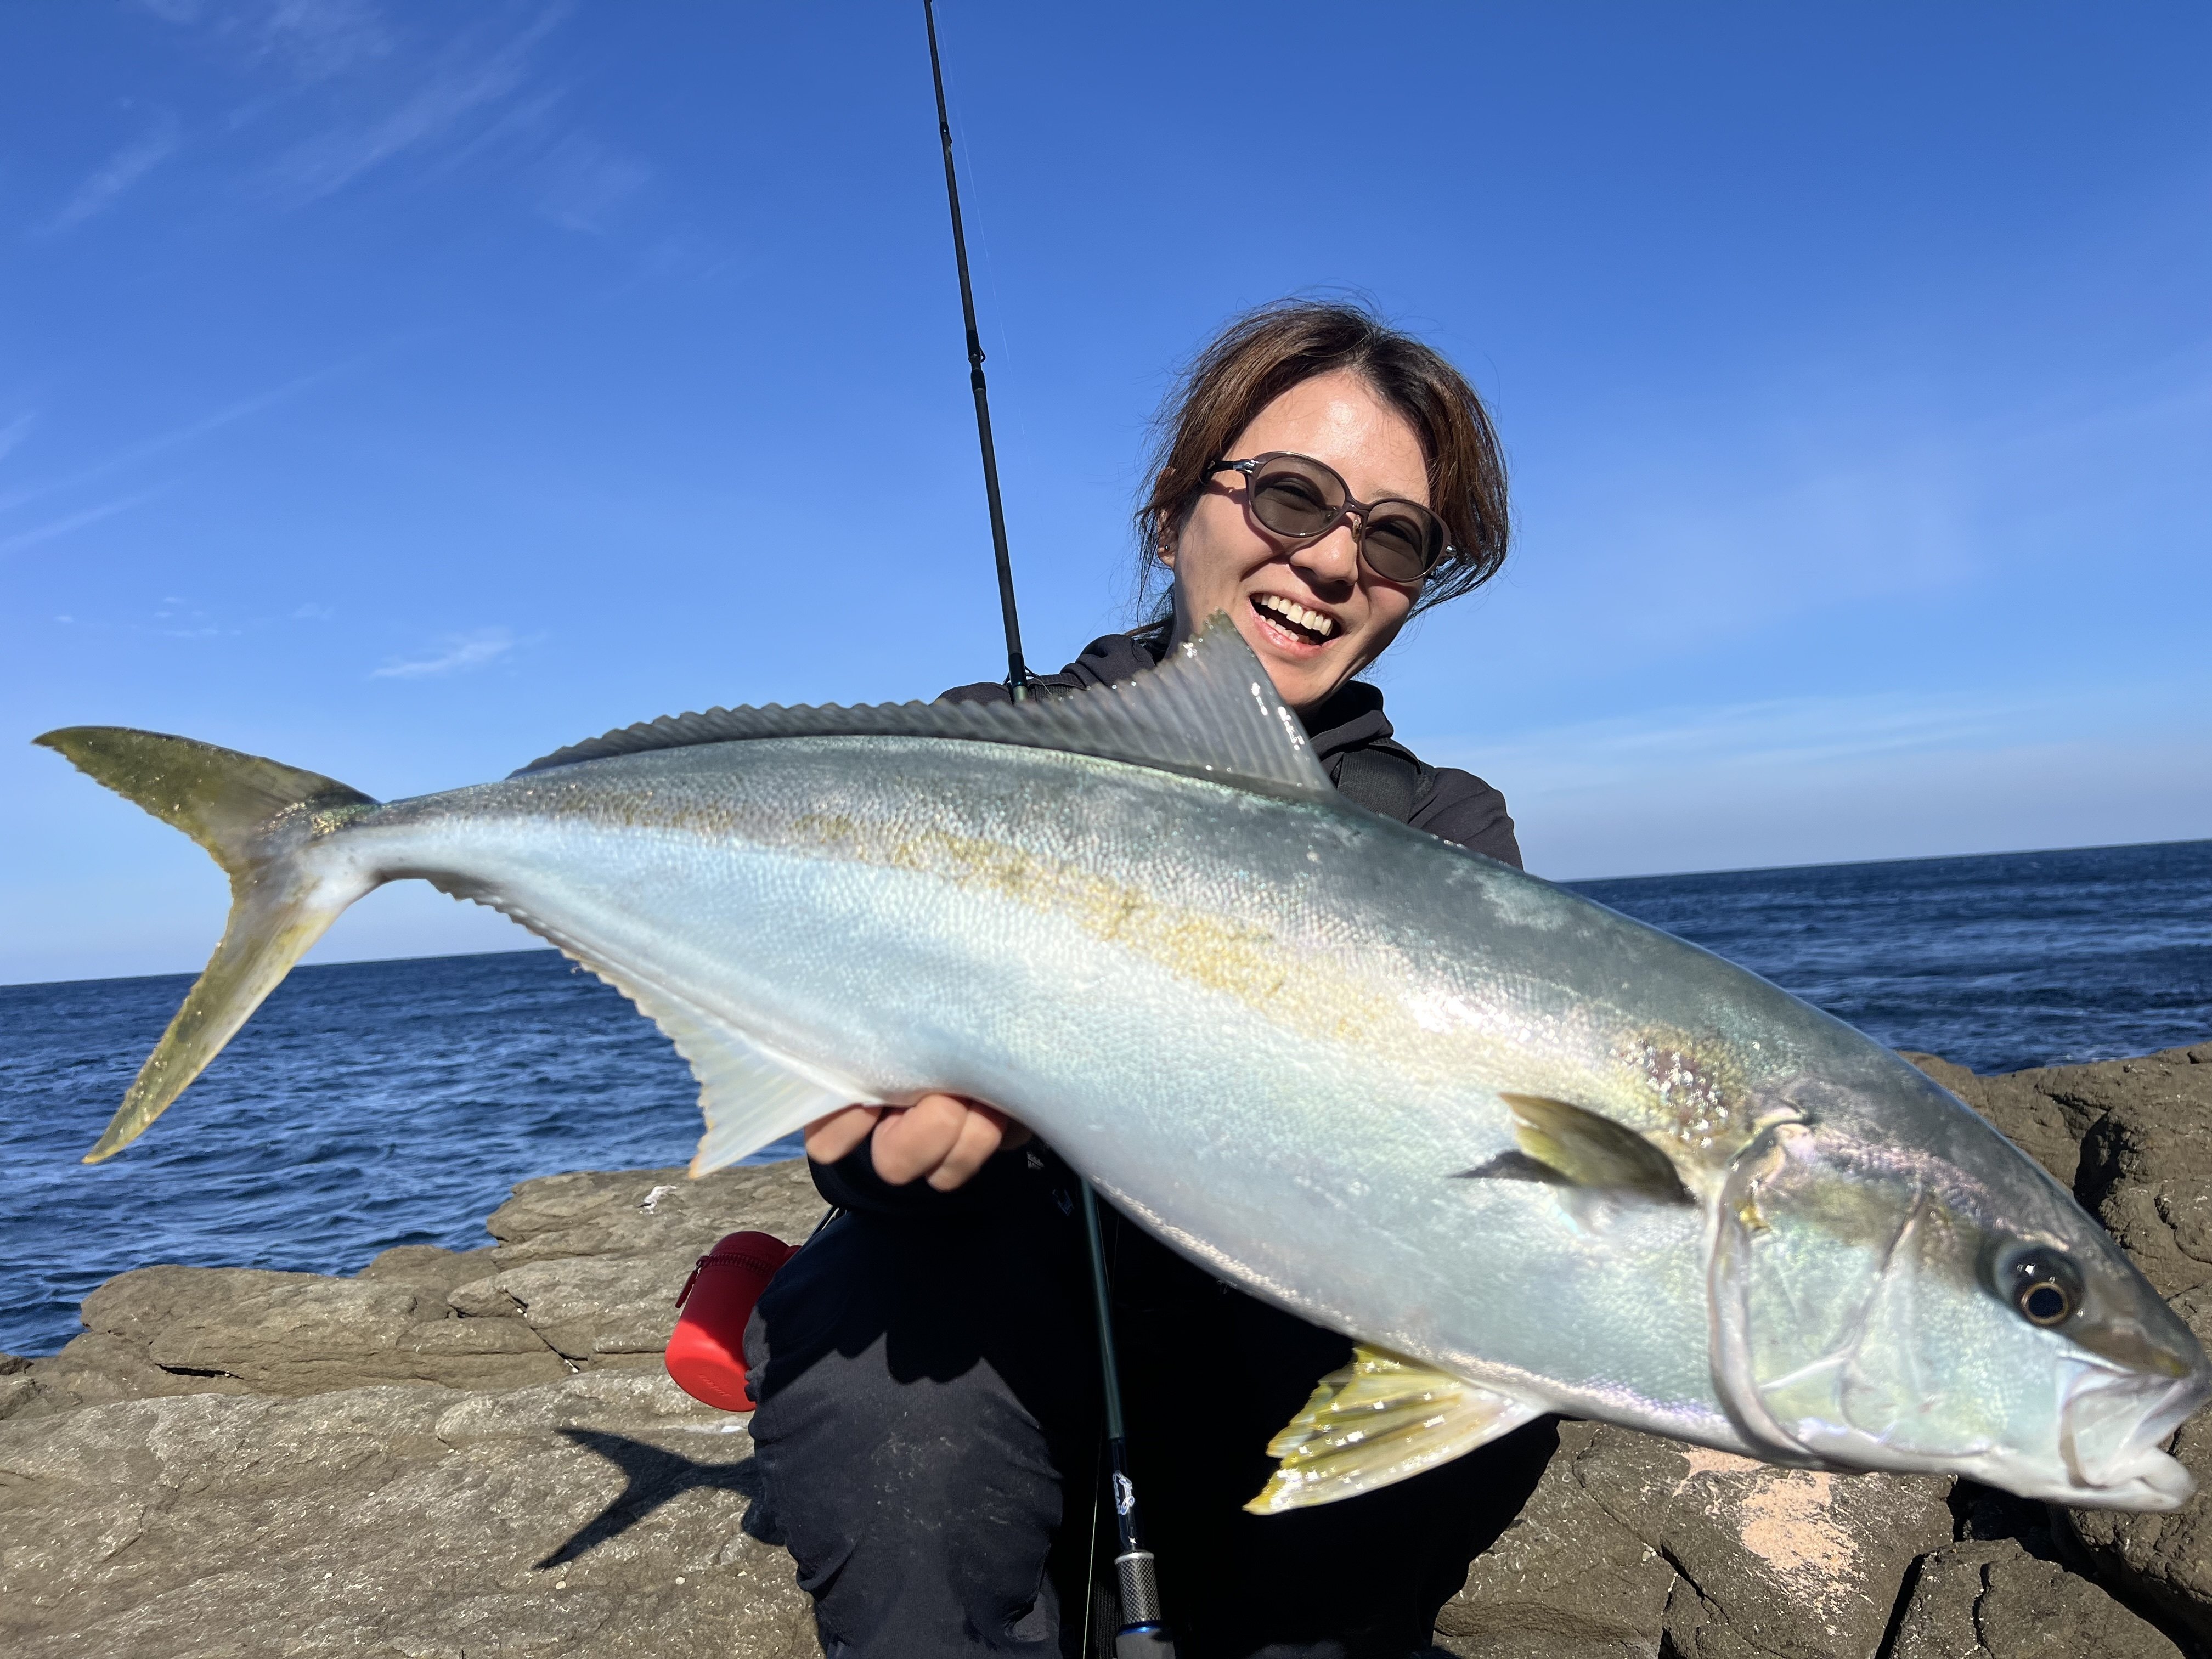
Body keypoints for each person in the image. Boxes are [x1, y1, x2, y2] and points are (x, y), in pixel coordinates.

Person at [744, 300, 1556, 1659]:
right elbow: (853, 1102)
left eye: (1397, 536)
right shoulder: (983, 754)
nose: (1334, 561)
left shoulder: (1445, 835)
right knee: (882, 1388)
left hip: (1280, 1333)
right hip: (995, 1302)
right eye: (1295, 495)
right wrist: (883, 1154)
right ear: (1180, 503)